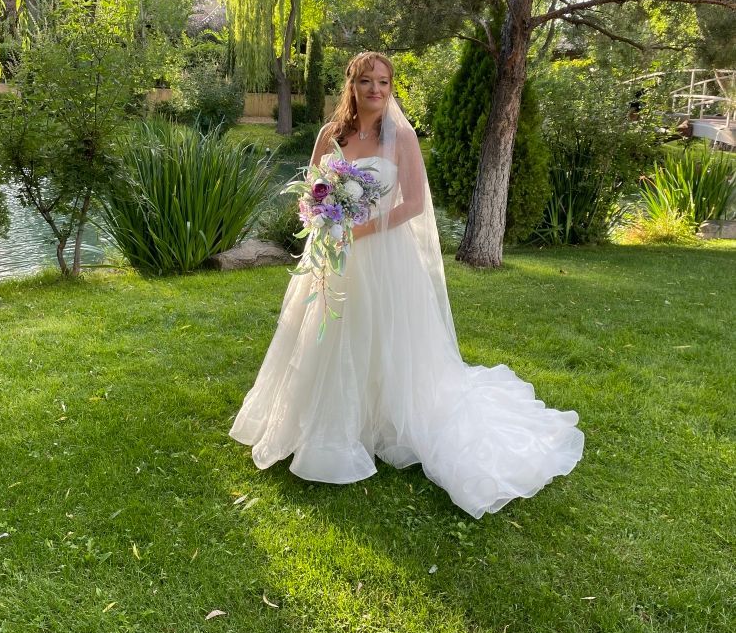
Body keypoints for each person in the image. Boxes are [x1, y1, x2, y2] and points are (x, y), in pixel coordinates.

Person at [229, 51, 584, 518]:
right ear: (352, 85)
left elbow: (414, 204)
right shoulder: (330, 135)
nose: (375, 89)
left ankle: (383, 420)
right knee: (325, 333)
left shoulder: (403, 137)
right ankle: (324, 423)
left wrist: (359, 230)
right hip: (332, 252)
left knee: (380, 334)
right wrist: (321, 217)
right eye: (366, 81)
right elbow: (312, 190)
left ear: (391, 87)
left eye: (383, 81)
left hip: (383, 254)